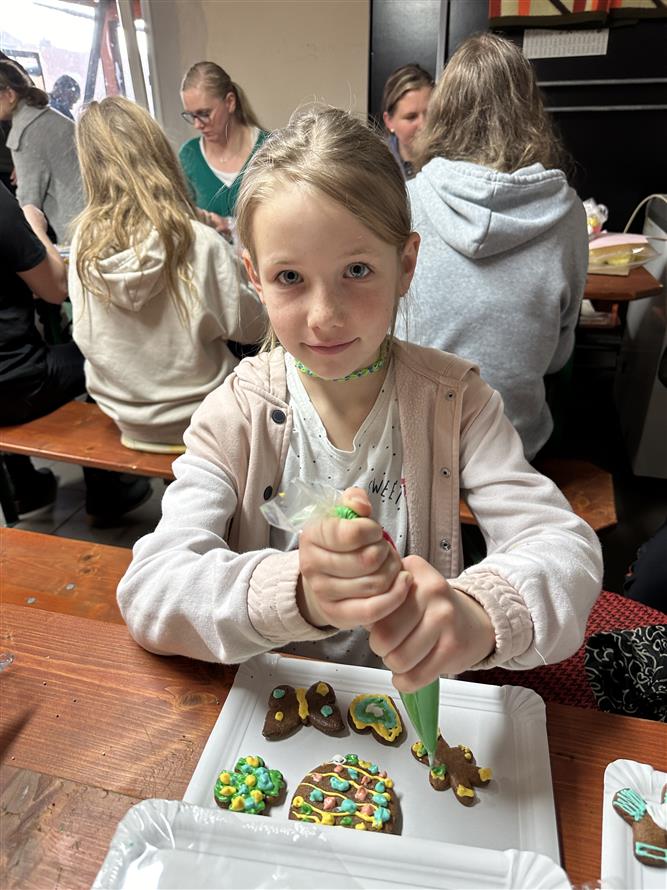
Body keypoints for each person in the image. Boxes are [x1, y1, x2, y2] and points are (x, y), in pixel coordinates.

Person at [117, 108, 602, 691]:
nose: (325, 317)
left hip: (411, 719)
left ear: (406, 264)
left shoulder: (458, 403)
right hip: (269, 716)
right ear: (255, 277)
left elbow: (563, 548)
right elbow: (152, 589)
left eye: (356, 269)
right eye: (290, 278)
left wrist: (477, 613)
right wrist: (298, 592)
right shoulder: (236, 414)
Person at [394, 34, 588, 461]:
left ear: (442, 111)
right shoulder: (569, 213)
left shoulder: (406, 201)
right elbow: (557, 357)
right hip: (516, 450)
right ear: (531, 112)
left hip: (412, 447)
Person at [68, 97, 265, 453]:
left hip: (126, 416)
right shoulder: (198, 243)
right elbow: (253, 328)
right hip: (203, 416)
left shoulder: (84, 245)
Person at [0, 182, 150, 521]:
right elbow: (55, 288)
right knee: (106, 351)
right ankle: (105, 489)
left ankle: (23, 486)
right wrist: (34, 226)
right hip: (19, 385)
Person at [0, 60, 83, 244]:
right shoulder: (49, 117)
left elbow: (29, 207)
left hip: (77, 233)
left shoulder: (26, 134)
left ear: (10, 95)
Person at [179, 61, 268, 230]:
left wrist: (230, 225)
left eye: (204, 114)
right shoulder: (189, 155)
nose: (197, 125)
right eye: (191, 116)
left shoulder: (270, 149)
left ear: (230, 102)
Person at [381, 63, 434, 180]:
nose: (423, 125)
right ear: (389, 121)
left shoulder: (452, 162)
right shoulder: (377, 166)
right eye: (411, 117)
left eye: (430, 114)